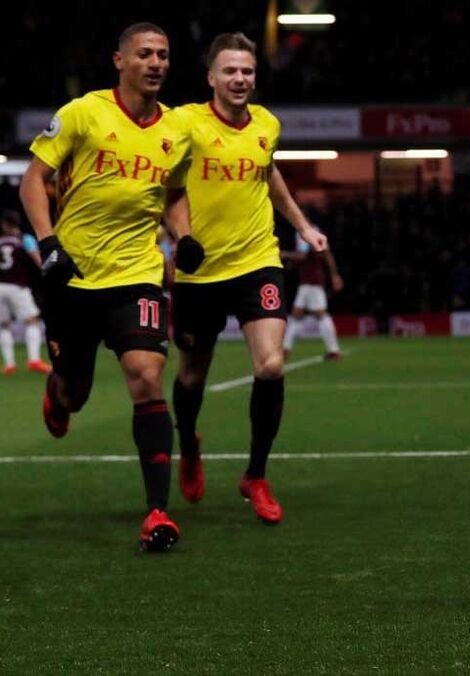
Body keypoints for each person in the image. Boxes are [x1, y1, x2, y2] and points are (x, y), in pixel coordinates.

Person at [18, 22, 200, 552]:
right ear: (119, 61)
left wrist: (184, 236)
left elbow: (174, 192)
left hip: (137, 274)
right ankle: (57, 394)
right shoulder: (83, 113)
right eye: (144, 54)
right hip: (73, 275)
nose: (156, 63)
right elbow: (33, 180)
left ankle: (158, 512)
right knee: (75, 393)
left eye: (163, 54)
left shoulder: (177, 130)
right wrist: (48, 242)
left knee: (147, 375)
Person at [169, 33, 329, 524]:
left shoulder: (266, 123)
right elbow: (167, 185)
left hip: (257, 260)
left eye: (247, 71)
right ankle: (188, 442)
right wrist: (179, 236)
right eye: (230, 71)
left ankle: (255, 475)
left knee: (271, 365)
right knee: (192, 375)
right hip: (200, 270)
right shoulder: (185, 123)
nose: (240, 79)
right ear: (211, 77)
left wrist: (303, 226)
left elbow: (270, 175)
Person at [0, 211, 52, 375]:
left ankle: (9, 365)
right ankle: (34, 360)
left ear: (4, 225)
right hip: (18, 287)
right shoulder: (24, 239)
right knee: (32, 321)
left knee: (3, 325)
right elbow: (39, 261)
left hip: (0, 287)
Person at [282, 224, 344, 360]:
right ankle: (285, 349)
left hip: (311, 281)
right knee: (297, 314)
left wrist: (284, 254)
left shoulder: (304, 233)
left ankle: (334, 350)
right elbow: (327, 254)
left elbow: (302, 255)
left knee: (320, 314)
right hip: (310, 280)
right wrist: (335, 275)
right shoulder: (317, 231)